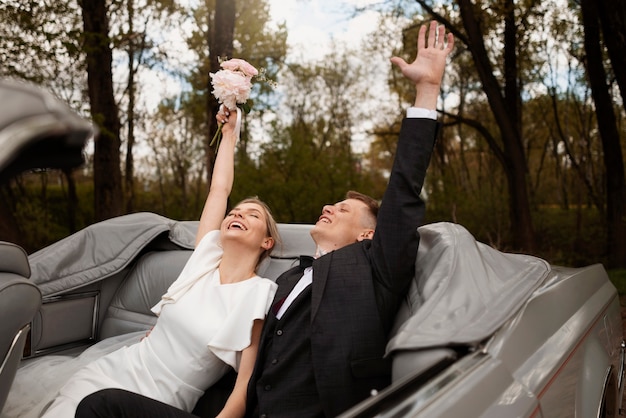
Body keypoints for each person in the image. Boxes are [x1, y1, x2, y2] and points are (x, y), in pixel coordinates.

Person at [75, 20, 455, 418]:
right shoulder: (288, 279)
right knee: (102, 404)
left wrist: (427, 91)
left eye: (343, 209)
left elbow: (403, 190)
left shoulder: (374, 269)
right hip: (238, 407)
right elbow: (244, 355)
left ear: (367, 234)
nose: (328, 207)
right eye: (332, 204)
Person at [34, 105, 282, 418]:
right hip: (115, 369)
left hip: (160, 399)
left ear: (266, 242)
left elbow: (245, 383)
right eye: (235, 211)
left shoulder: (258, 293)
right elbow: (220, 189)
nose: (237, 213)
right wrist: (230, 134)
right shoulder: (203, 260)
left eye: (252, 214)